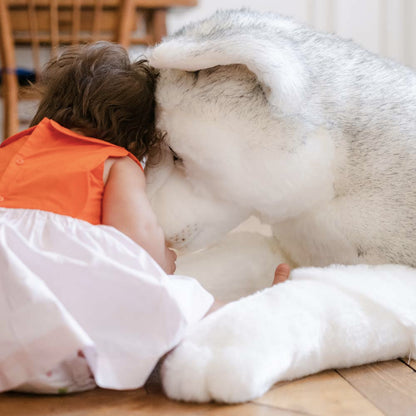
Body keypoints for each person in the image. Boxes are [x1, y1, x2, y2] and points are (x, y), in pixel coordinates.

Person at [0, 41, 291, 395]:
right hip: (62, 335)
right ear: (140, 134)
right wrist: (160, 263)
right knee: (179, 299)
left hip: (10, 338)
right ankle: (264, 317)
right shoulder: (114, 161)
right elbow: (137, 235)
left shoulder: (11, 148)